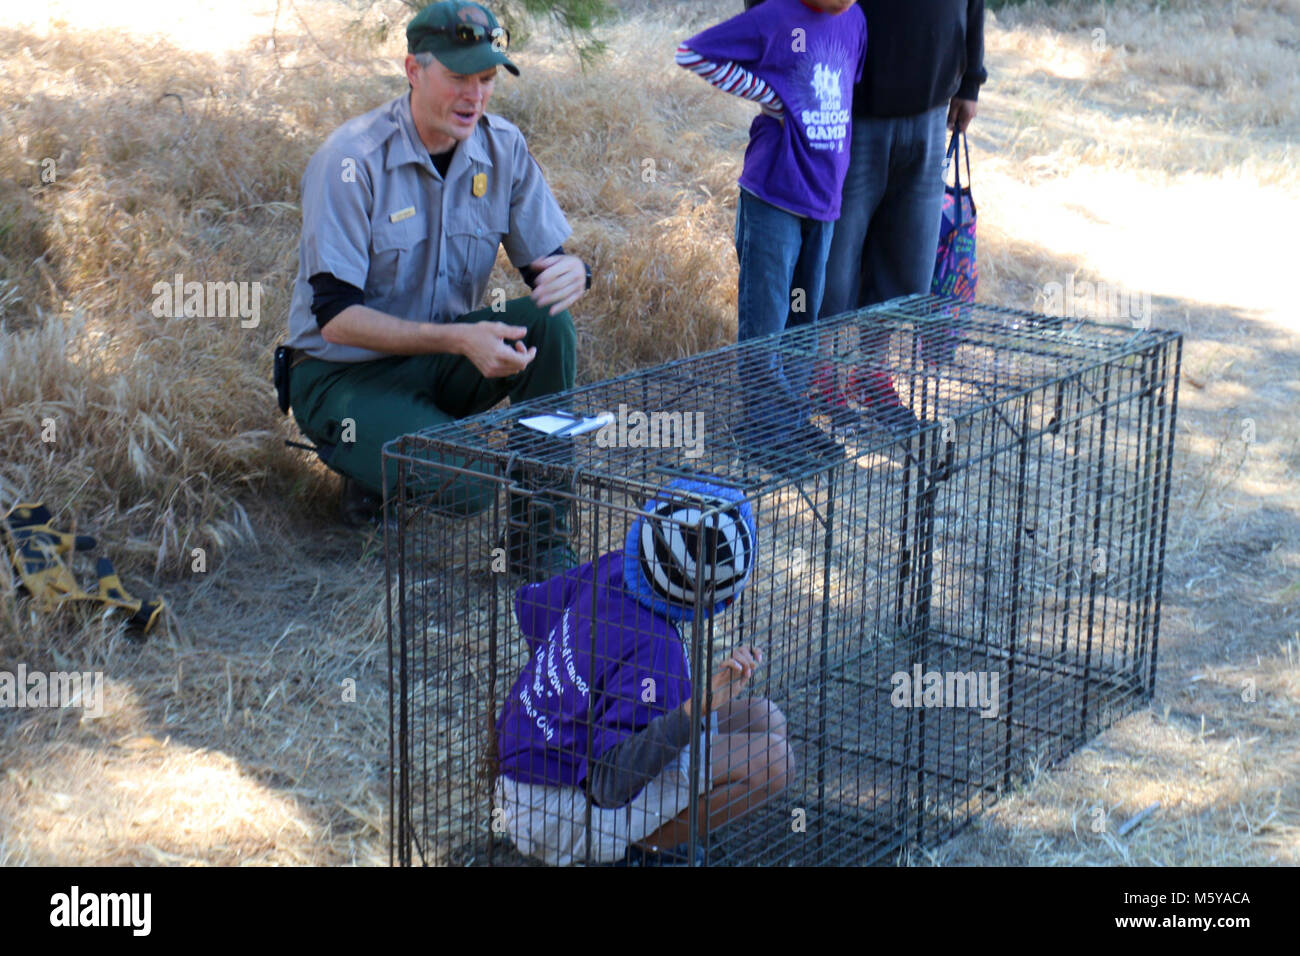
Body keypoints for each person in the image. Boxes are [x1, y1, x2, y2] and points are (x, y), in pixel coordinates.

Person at [279, 1, 590, 580]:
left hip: (437, 360)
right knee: (468, 484)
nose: (474, 95)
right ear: (413, 70)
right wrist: (460, 340)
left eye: (487, 79)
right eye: (457, 76)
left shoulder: (502, 148)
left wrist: (571, 272)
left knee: (550, 324)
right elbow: (336, 318)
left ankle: (539, 541)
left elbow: (545, 264)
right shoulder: (351, 161)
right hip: (339, 373)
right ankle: (366, 466)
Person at [494, 478, 792, 866]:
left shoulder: (616, 567)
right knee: (774, 761)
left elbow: (537, 612)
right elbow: (610, 784)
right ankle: (644, 852)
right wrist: (699, 707)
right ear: (720, 596)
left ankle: (653, 835)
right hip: (555, 814)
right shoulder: (657, 651)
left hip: (525, 768)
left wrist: (581, 697)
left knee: (765, 717)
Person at [676, 0, 867, 472]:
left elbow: (842, 91)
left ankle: (788, 423)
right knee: (768, 320)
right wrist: (773, 93)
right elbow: (694, 54)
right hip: (774, 196)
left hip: (822, 199)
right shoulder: (777, 17)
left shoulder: (855, 20)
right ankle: (762, 433)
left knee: (805, 316)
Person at [814, 0, 987, 430]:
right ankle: (821, 377)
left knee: (907, 270)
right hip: (851, 109)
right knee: (834, 272)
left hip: (931, 107)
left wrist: (971, 80)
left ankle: (870, 373)